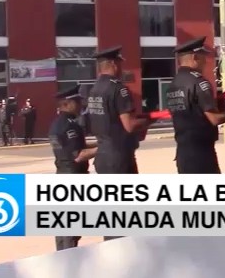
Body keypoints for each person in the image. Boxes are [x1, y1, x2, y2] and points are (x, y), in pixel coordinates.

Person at [87, 46, 150, 242]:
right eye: (120, 63)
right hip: (119, 157)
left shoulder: (94, 89)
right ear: (114, 64)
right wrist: (148, 120)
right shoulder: (118, 88)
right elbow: (129, 125)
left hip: (103, 155)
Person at [165, 37, 225, 174]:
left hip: (182, 153)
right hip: (201, 153)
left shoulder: (173, 83)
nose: (205, 61)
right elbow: (214, 119)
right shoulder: (199, 82)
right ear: (195, 57)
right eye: (203, 57)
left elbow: (193, 109)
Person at [49, 85, 96, 251]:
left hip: (62, 174)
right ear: (67, 104)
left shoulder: (57, 124)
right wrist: (105, 148)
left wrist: (99, 143)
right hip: (74, 178)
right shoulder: (70, 125)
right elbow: (79, 154)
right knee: (72, 229)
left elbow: (76, 146)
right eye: (77, 101)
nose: (80, 105)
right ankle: (68, 259)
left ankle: (62, 256)